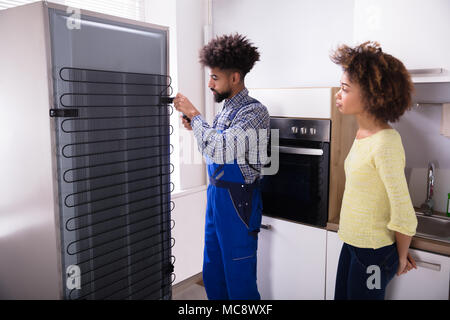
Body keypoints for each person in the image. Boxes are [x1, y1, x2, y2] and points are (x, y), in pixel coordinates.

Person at [173, 33, 270, 300]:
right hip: (216, 199)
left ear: (235, 77)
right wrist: (197, 126)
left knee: (240, 281)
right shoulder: (226, 110)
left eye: (215, 77)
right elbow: (211, 145)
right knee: (214, 272)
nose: (209, 83)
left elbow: (219, 148)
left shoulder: (254, 112)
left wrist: (195, 115)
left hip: (239, 203)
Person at [330, 41, 418, 300]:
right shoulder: (362, 135)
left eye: (345, 89)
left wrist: (398, 258)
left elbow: (403, 211)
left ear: (370, 96)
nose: (338, 93)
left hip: (373, 254)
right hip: (353, 244)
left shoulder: (386, 142)